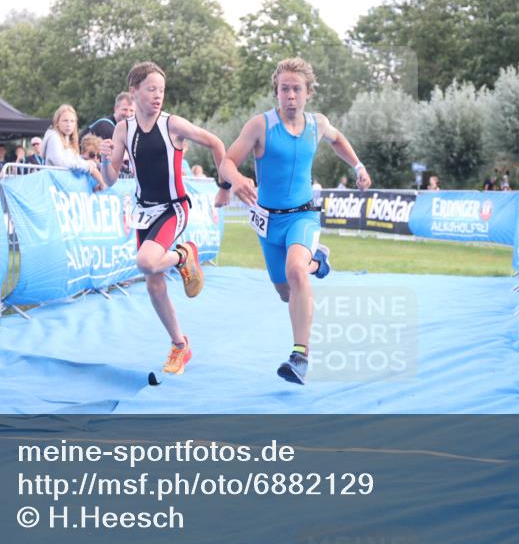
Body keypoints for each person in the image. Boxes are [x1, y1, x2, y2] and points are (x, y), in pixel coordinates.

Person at [219, 57, 372, 385]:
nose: (290, 95)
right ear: (276, 92)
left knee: (294, 270)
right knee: (286, 292)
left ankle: (300, 355)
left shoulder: (318, 124)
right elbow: (227, 162)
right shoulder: (260, 126)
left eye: (296, 89)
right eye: (284, 89)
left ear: (308, 93)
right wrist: (237, 179)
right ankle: (319, 261)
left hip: (303, 215)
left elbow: (338, 140)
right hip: (268, 222)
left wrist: (358, 167)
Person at [99, 62, 229, 376]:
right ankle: (179, 345)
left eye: (162, 90)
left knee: (146, 261)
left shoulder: (173, 125)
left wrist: (224, 186)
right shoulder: (123, 129)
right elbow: (111, 179)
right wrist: (104, 160)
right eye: (151, 89)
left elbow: (215, 142)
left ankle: (184, 254)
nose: (158, 96)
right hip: (144, 210)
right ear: (134, 92)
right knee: (154, 285)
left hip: (174, 208)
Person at [42, 105, 107, 190]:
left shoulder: (68, 139)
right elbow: (61, 162)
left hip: (64, 186)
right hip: (54, 186)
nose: (69, 124)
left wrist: (89, 164)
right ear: (57, 122)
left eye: (72, 121)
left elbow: (75, 160)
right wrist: (86, 166)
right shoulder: (53, 137)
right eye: (65, 121)